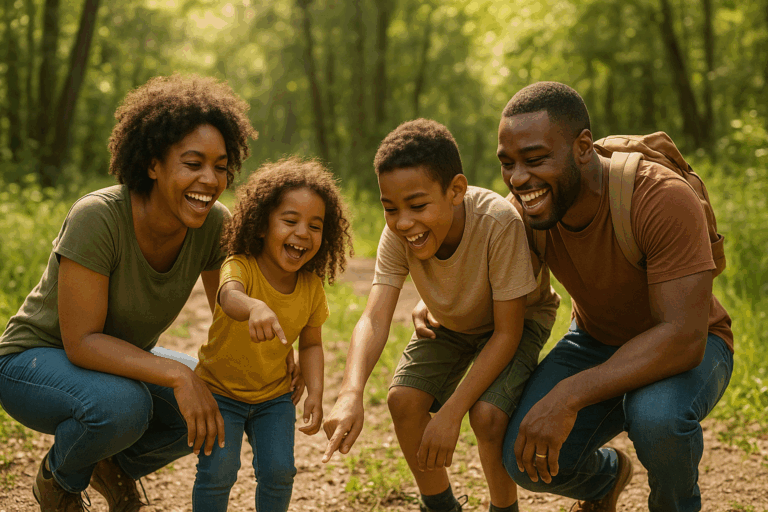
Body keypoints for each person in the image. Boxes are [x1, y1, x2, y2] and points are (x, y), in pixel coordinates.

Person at [416, 81, 734, 512]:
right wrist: (440, 297)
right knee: (523, 458)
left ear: (583, 147)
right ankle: (606, 479)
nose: (519, 178)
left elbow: (683, 337)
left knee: (655, 418)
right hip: (595, 341)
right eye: (507, 163)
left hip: (690, 344)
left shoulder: (658, 198)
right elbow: (492, 278)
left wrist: (569, 396)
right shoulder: (525, 211)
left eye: (535, 159)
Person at [0, 74, 261, 511]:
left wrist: (272, 353)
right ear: (153, 164)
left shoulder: (214, 223)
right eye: (193, 163)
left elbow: (228, 311)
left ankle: (110, 467)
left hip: (114, 365)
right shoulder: (98, 217)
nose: (210, 179)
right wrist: (178, 375)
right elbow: (81, 343)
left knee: (216, 395)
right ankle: (60, 480)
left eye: (220, 166)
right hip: (31, 362)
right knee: (126, 405)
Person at [323, 119, 558, 512]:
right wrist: (351, 392)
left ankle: (505, 508)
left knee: (486, 417)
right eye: (389, 208)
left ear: (456, 190)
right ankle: (440, 505)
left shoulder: (498, 222)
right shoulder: (400, 233)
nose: (403, 221)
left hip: (517, 321)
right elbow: (374, 317)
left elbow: (506, 333)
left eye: (417, 205)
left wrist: (451, 413)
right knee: (403, 400)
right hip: (453, 319)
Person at [191, 158, 353, 512]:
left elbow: (311, 344)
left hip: (274, 399)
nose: (302, 233)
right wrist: (254, 307)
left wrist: (316, 392)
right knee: (218, 471)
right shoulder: (240, 265)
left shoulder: (310, 286)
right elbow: (228, 296)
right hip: (220, 393)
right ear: (263, 224)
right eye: (290, 221)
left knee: (280, 470)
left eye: (315, 225)